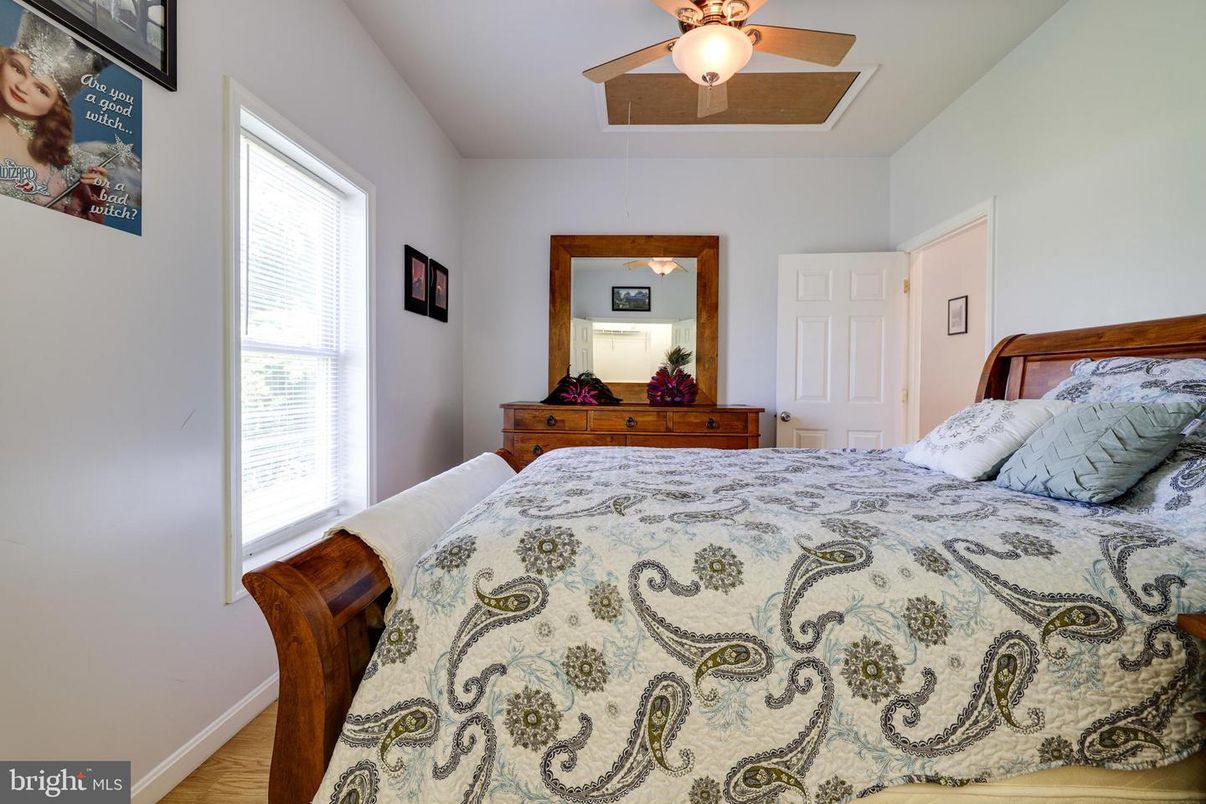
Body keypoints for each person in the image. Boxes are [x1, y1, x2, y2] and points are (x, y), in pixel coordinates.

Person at [0, 12, 108, 220]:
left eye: (41, 90)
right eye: (18, 69)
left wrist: (85, 211)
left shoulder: (69, 166)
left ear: (56, 105)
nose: (22, 87)